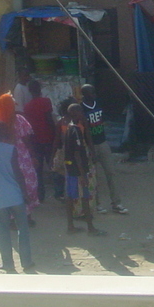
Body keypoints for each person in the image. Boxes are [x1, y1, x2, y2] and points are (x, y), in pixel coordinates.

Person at [0, 120, 34, 273]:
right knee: (22, 229)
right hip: (15, 195)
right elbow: (18, 173)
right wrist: (25, 193)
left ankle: (8, 264)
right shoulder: (11, 149)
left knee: (2, 231)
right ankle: (27, 262)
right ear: (4, 133)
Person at [0, 93, 40, 221]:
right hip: (21, 158)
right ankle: (27, 216)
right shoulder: (19, 120)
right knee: (28, 186)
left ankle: (12, 218)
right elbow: (27, 140)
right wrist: (33, 156)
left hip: (2, 159)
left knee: (9, 188)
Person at [80, 84, 128, 215]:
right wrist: (90, 149)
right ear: (84, 95)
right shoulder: (81, 108)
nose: (94, 94)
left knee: (111, 173)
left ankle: (116, 203)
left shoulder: (98, 103)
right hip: (90, 145)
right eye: (91, 93)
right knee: (93, 176)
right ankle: (97, 204)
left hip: (103, 142)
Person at [60, 103, 106, 237]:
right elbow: (77, 154)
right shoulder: (76, 131)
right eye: (80, 112)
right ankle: (91, 229)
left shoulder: (68, 128)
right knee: (85, 196)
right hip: (78, 170)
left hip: (70, 168)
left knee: (70, 196)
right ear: (77, 114)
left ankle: (70, 226)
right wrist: (83, 174)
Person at [22, 80, 56, 203]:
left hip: (35, 140)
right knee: (54, 165)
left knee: (38, 170)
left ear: (30, 91)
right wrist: (56, 135)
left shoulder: (27, 106)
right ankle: (59, 192)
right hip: (48, 138)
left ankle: (40, 195)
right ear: (40, 89)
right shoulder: (46, 102)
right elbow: (49, 119)